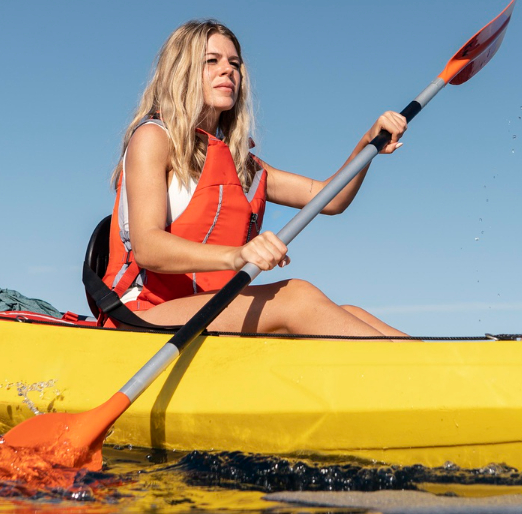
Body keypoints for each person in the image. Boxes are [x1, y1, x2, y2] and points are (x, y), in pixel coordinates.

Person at [89, 20, 409, 337]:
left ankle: (444, 375)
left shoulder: (242, 165)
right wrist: (237, 255)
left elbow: (331, 198)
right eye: (211, 61)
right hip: (141, 314)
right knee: (296, 299)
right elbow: (147, 247)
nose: (228, 71)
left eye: (234, 64)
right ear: (180, 71)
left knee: (349, 313)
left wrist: (368, 143)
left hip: (207, 311)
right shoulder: (153, 137)